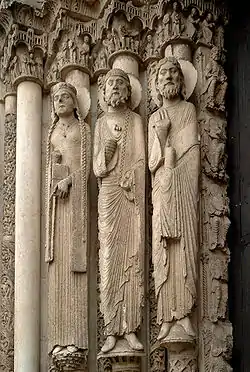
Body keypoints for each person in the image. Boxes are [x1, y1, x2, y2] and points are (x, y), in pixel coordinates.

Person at [93, 69, 145, 353]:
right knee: (110, 259)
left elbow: (141, 160)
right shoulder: (101, 124)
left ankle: (132, 328)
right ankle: (111, 328)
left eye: (120, 84)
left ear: (128, 91)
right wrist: (107, 153)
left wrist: (133, 176)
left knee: (133, 257)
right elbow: (97, 169)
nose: (115, 87)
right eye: (110, 83)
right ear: (103, 93)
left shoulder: (135, 120)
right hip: (109, 195)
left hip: (130, 195)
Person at [148, 57, 199, 341]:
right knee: (163, 252)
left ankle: (184, 315)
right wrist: (162, 137)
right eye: (163, 74)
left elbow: (191, 151)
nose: (168, 77)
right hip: (162, 191)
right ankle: (167, 317)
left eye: (172, 73)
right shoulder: (155, 118)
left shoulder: (188, 110)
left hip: (182, 189)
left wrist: (174, 168)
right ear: (156, 84)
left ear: (181, 82)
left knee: (184, 250)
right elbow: (152, 162)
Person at [45, 82, 90, 358]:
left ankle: (76, 340)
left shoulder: (82, 129)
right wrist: (53, 177)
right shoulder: (51, 133)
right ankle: (58, 341)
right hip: (56, 211)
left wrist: (70, 181)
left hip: (75, 207)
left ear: (75, 103)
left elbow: (86, 169)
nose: (60, 101)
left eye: (65, 97)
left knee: (74, 274)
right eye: (56, 98)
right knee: (57, 272)